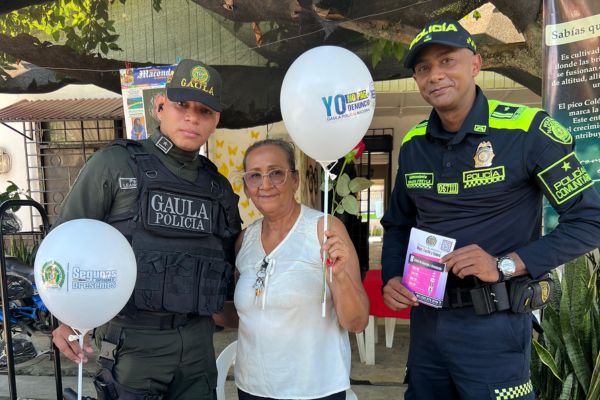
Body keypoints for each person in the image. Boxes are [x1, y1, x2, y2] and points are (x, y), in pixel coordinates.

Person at [380, 19, 600, 399]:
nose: (435, 75)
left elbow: (590, 219)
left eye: (447, 61)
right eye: (423, 68)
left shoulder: (526, 131)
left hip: (494, 326)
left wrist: (505, 264)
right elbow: (398, 224)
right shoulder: (414, 144)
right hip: (427, 326)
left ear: (475, 64)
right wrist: (392, 277)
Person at [51, 59, 242, 400]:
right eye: (182, 105)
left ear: (215, 121)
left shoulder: (218, 187)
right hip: (134, 341)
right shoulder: (116, 164)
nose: (192, 118)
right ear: (160, 106)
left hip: (198, 342)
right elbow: (64, 243)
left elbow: (230, 263)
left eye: (204, 111)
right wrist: (63, 318)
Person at [232, 139, 369, 400]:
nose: (265, 184)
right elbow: (244, 314)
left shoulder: (324, 230)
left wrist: (340, 276)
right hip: (252, 387)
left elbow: (357, 322)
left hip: (315, 389)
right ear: (247, 187)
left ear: (294, 180)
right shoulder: (244, 240)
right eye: (255, 176)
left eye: (276, 173)